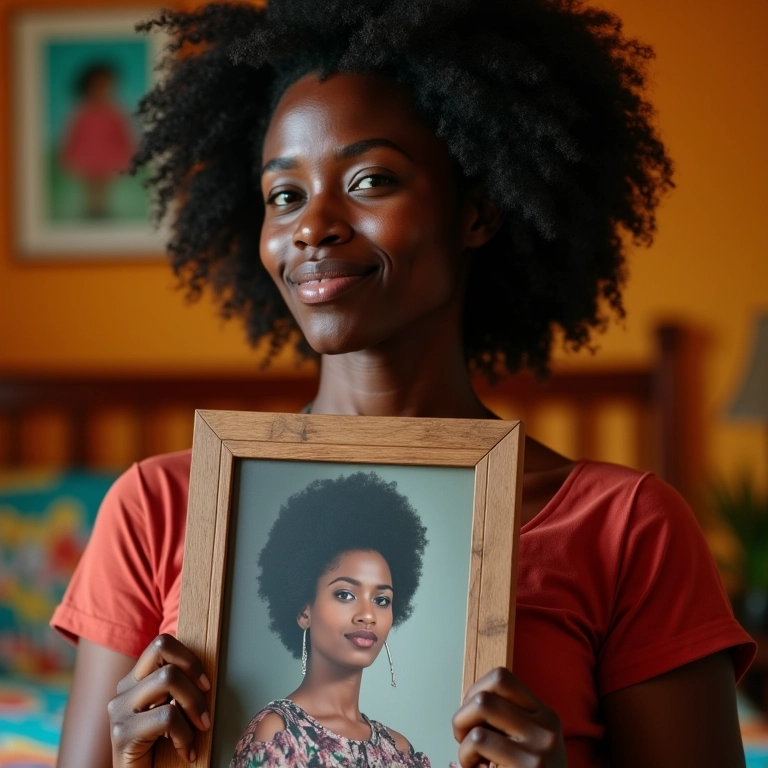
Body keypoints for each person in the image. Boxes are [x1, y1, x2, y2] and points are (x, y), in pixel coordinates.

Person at [51, 1, 755, 767]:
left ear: (477, 211)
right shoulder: (155, 510)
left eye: (370, 179)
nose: (311, 225)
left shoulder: (630, 529)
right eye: (284, 195)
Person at [230, 471, 429, 767]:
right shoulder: (277, 734)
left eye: (381, 599)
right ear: (303, 611)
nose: (368, 615)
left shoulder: (399, 749)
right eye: (345, 595)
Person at [60, 63, 136, 219]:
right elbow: (73, 135)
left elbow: (123, 134)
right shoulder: (82, 111)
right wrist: (68, 155)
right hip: (87, 156)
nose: (102, 89)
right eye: (97, 85)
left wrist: (130, 153)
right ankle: (91, 211)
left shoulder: (115, 111)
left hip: (108, 156)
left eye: (105, 85)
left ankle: (102, 211)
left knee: (104, 187)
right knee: (91, 187)